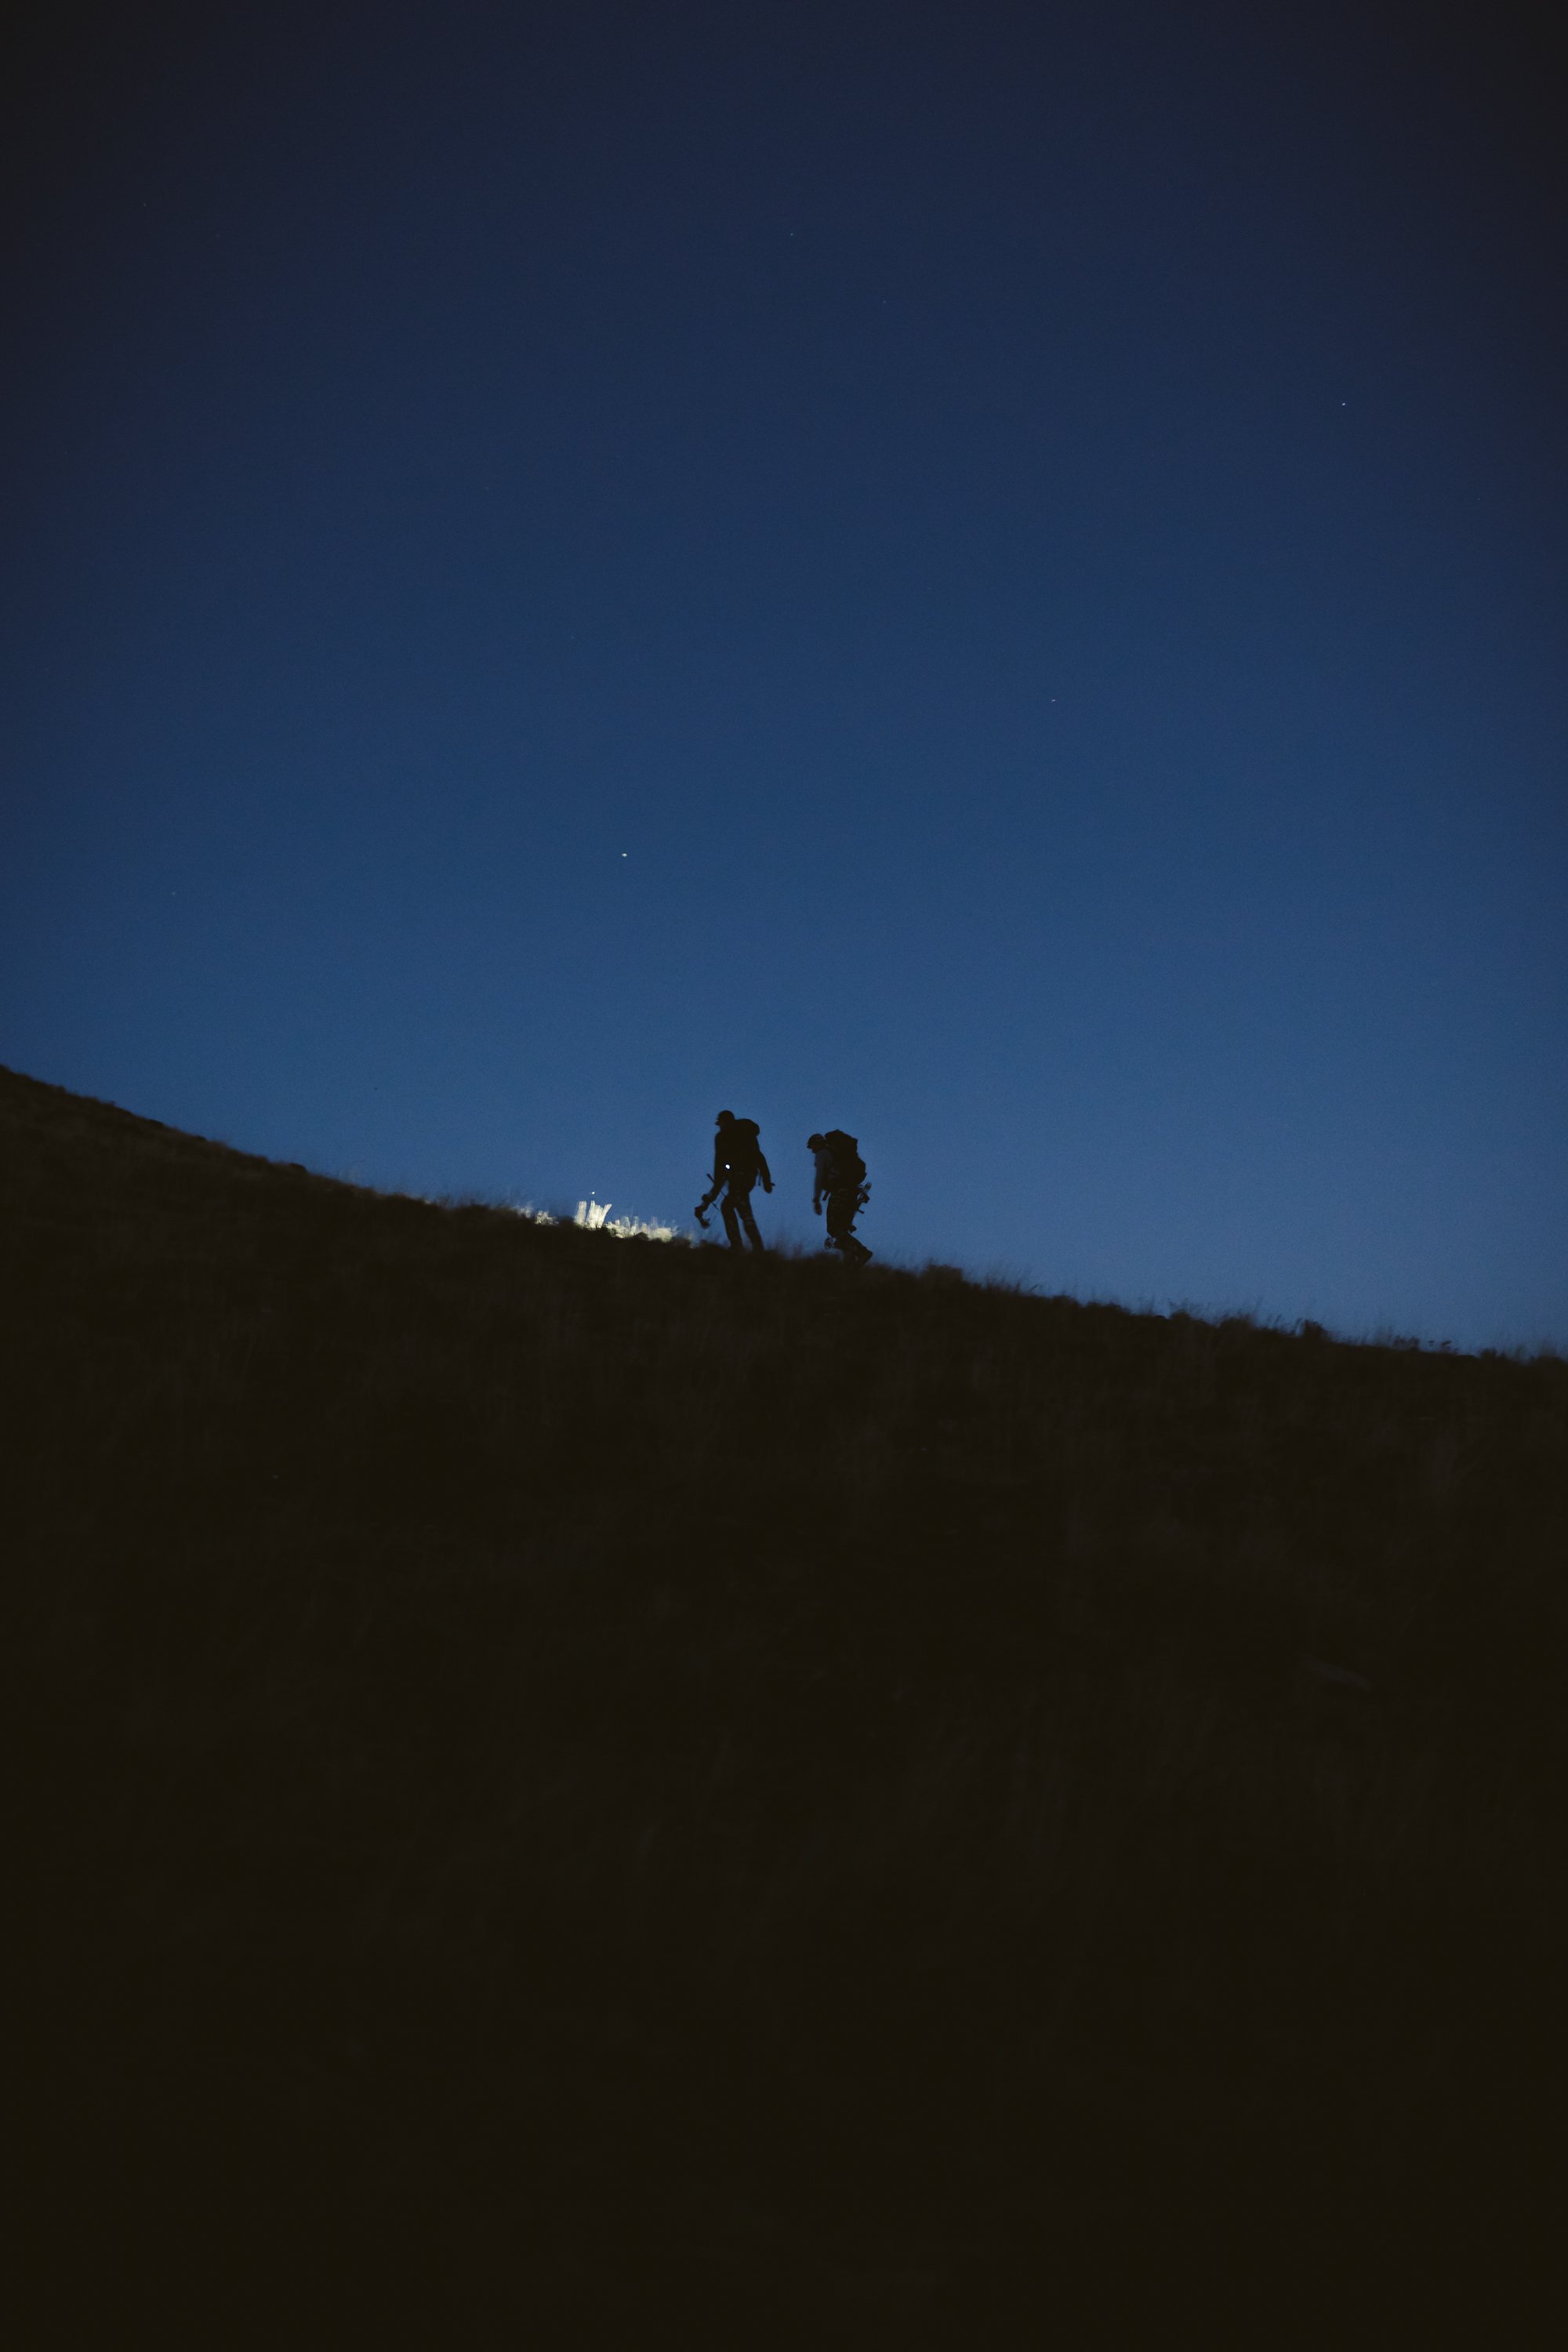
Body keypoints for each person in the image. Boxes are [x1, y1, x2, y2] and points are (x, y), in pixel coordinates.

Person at [696, 1109, 773, 1250]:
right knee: (739, 1208)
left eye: (721, 1123)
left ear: (724, 1122)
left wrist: (706, 1203)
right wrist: (766, 1179)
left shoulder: (723, 1138)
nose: (720, 1126)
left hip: (739, 1179)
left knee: (731, 1206)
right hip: (747, 1178)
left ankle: (741, 1247)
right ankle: (755, 1248)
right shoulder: (745, 1134)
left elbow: (719, 1170)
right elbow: (759, 1157)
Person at [808, 1130, 872, 1263]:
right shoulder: (836, 1154)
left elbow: (819, 1177)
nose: (812, 1151)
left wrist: (816, 1200)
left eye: (812, 1147)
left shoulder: (822, 1154)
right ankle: (849, 1265)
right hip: (851, 1192)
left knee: (833, 1228)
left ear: (817, 1144)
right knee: (842, 1229)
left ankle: (861, 1251)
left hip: (840, 1192)